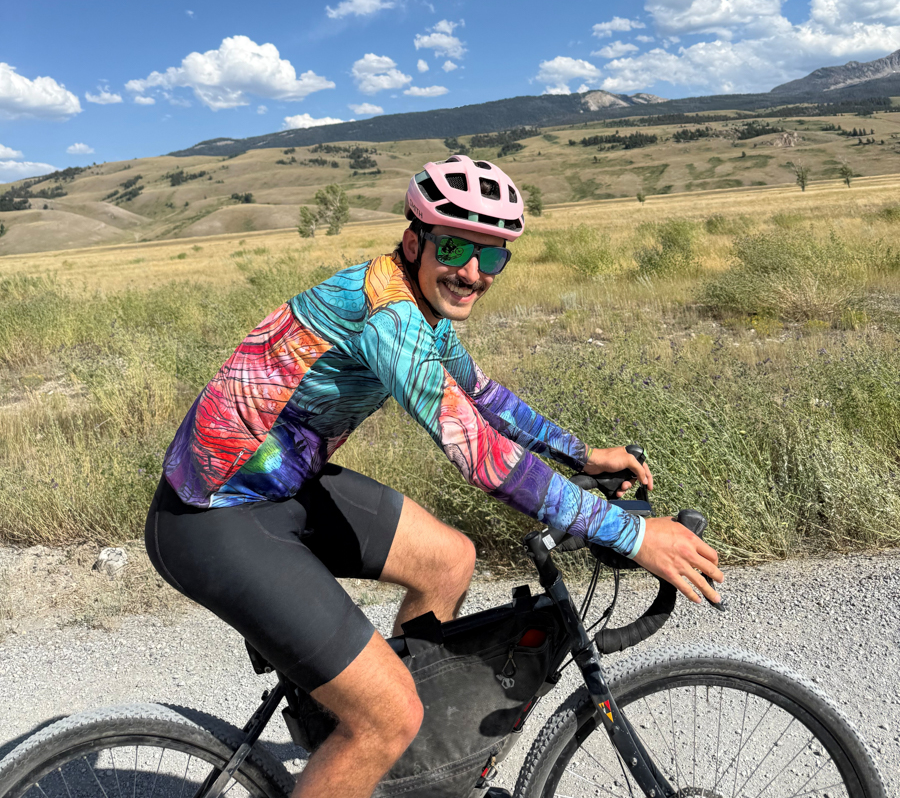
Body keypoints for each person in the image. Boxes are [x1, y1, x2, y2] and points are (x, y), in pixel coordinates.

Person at [146, 152, 722, 798]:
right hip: (210, 517)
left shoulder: (423, 305)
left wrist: (584, 457)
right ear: (415, 240)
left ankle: (386, 764)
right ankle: (377, 728)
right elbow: (478, 451)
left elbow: (483, 398)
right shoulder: (388, 316)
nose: (473, 272)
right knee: (390, 714)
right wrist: (634, 536)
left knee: (448, 560)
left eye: (493, 256)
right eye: (455, 246)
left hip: (278, 487)